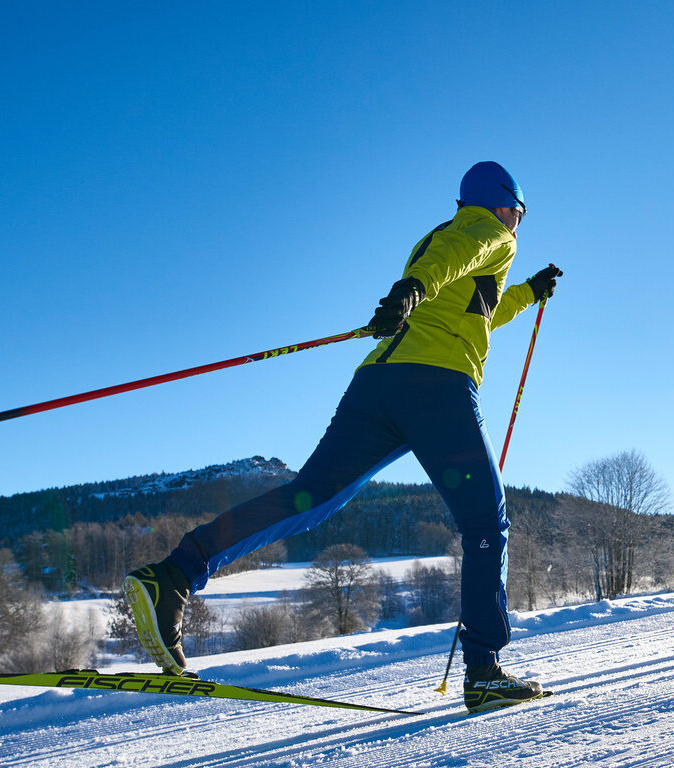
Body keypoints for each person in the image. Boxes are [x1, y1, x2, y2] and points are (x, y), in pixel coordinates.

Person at [124, 161, 560, 713]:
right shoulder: (486, 231)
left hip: (377, 384)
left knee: (307, 497)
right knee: (484, 522)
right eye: (518, 214)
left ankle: (175, 573)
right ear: (501, 203)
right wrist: (412, 286)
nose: (517, 226)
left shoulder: (445, 238)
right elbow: (455, 263)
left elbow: (471, 310)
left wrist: (524, 293)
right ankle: (484, 668)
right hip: (437, 387)